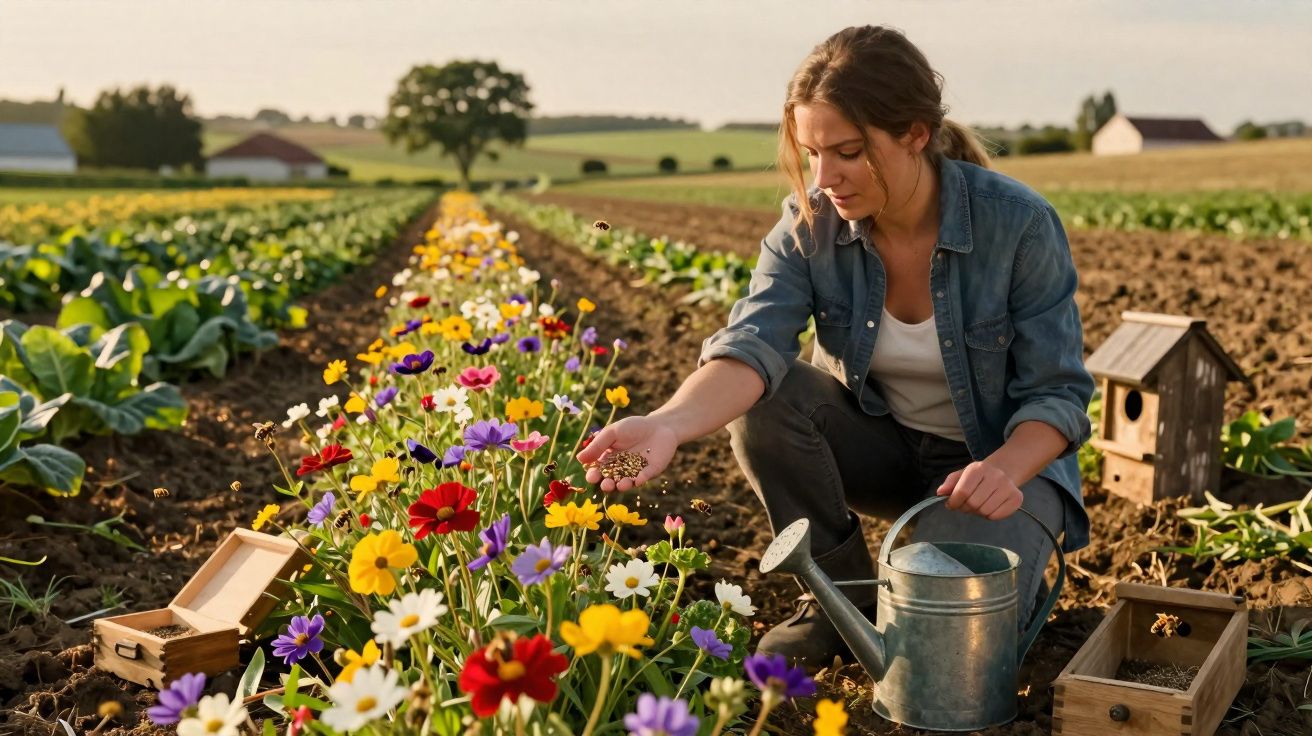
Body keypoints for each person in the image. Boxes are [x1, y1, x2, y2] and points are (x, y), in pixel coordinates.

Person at [575, 25, 1095, 667]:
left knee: (942, 655)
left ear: (914, 133)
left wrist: (1003, 471)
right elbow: (752, 345)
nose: (825, 179)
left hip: (1000, 470)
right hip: (884, 451)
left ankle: (983, 560)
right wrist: (666, 424)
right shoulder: (810, 224)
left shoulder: (1015, 224)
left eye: (847, 152)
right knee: (769, 402)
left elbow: (1058, 394)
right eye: (811, 153)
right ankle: (838, 601)